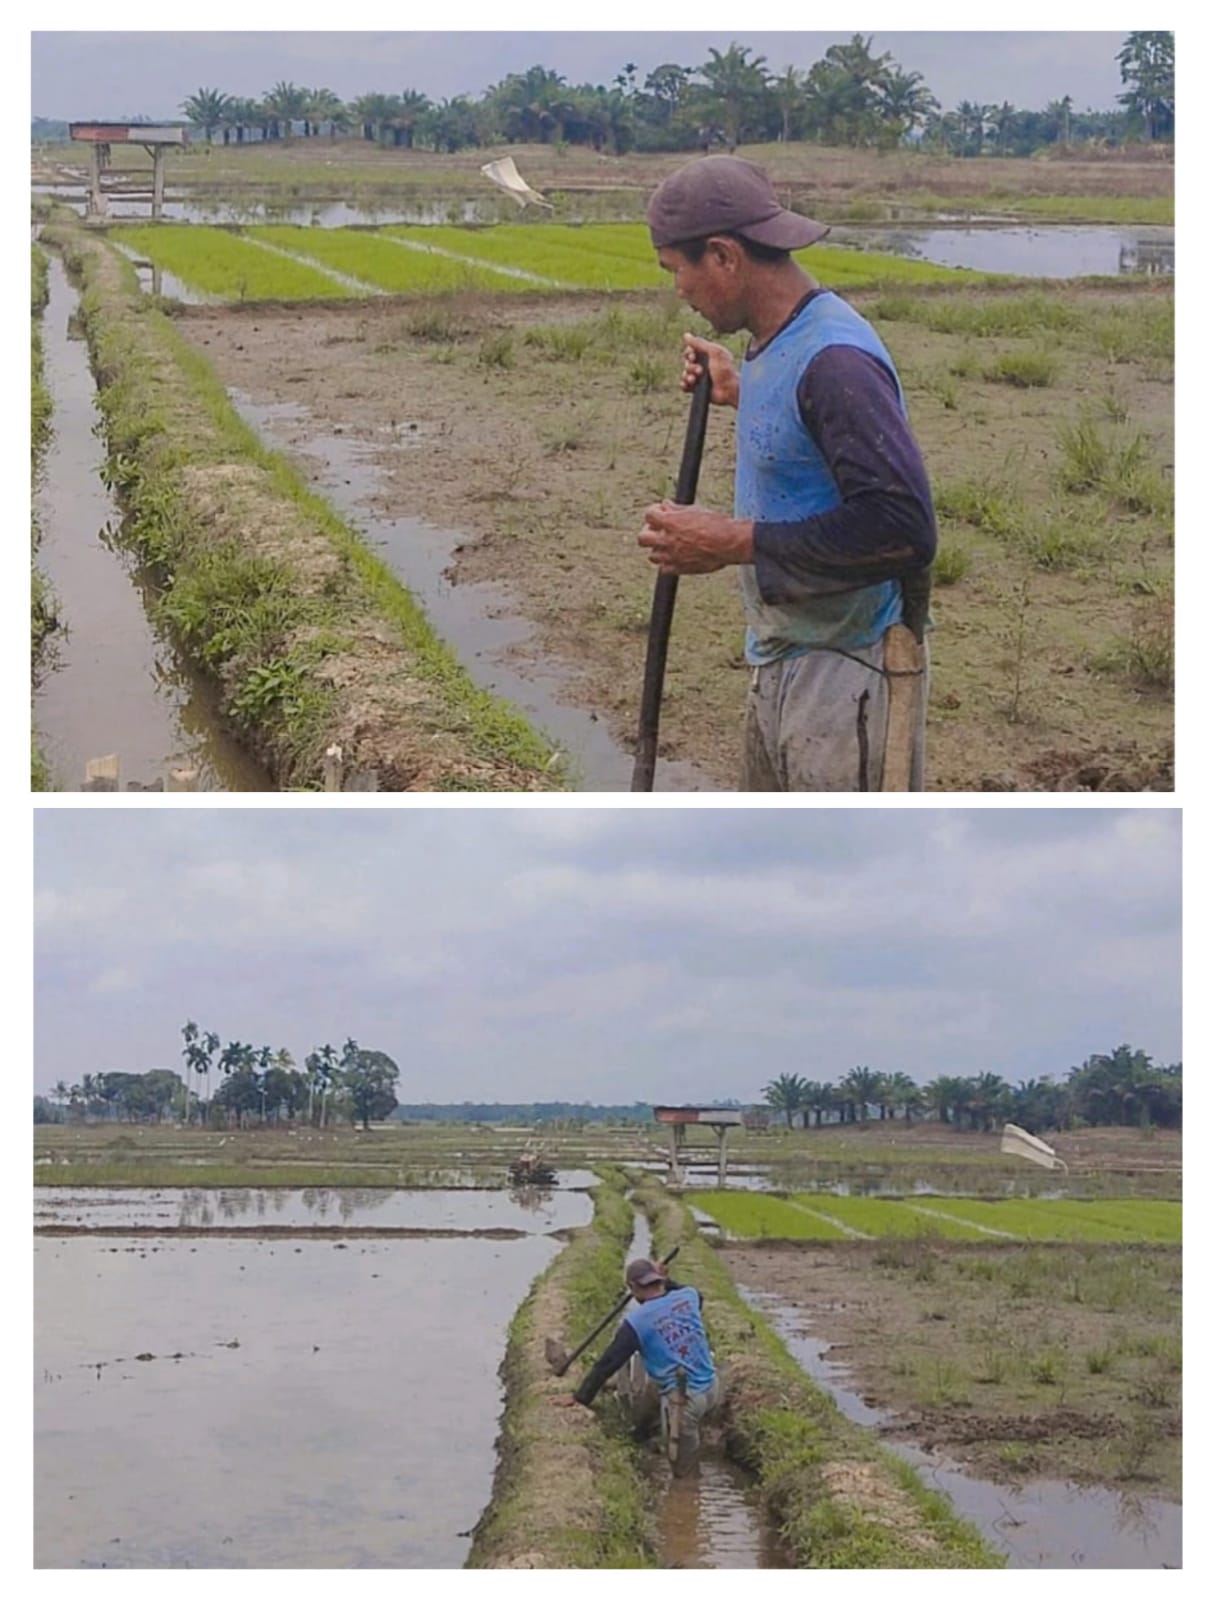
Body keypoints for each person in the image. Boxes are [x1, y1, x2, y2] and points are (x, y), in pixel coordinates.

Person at [638, 154, 936, 791]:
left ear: (723, 256)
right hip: (787, 654)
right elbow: (811, 433)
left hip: (848, 670)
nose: (679, 292)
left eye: (678, 271)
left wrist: (730, 541)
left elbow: (902, 528)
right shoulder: (780, 338)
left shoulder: (837, 362)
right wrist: (744, 391)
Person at [553, 1257, 721, 1472]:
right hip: (711, 1387)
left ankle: (687, 1494)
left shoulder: (637, 1323)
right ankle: (641, 1434)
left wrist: (579, 1397)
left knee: (683, 1472)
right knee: (653, 1391)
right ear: (661, 1280)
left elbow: (609, 1363)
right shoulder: (689, 1296)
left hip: (685, 1403)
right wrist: (665, 1281)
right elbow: (687, 1293)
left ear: (633, 1288)